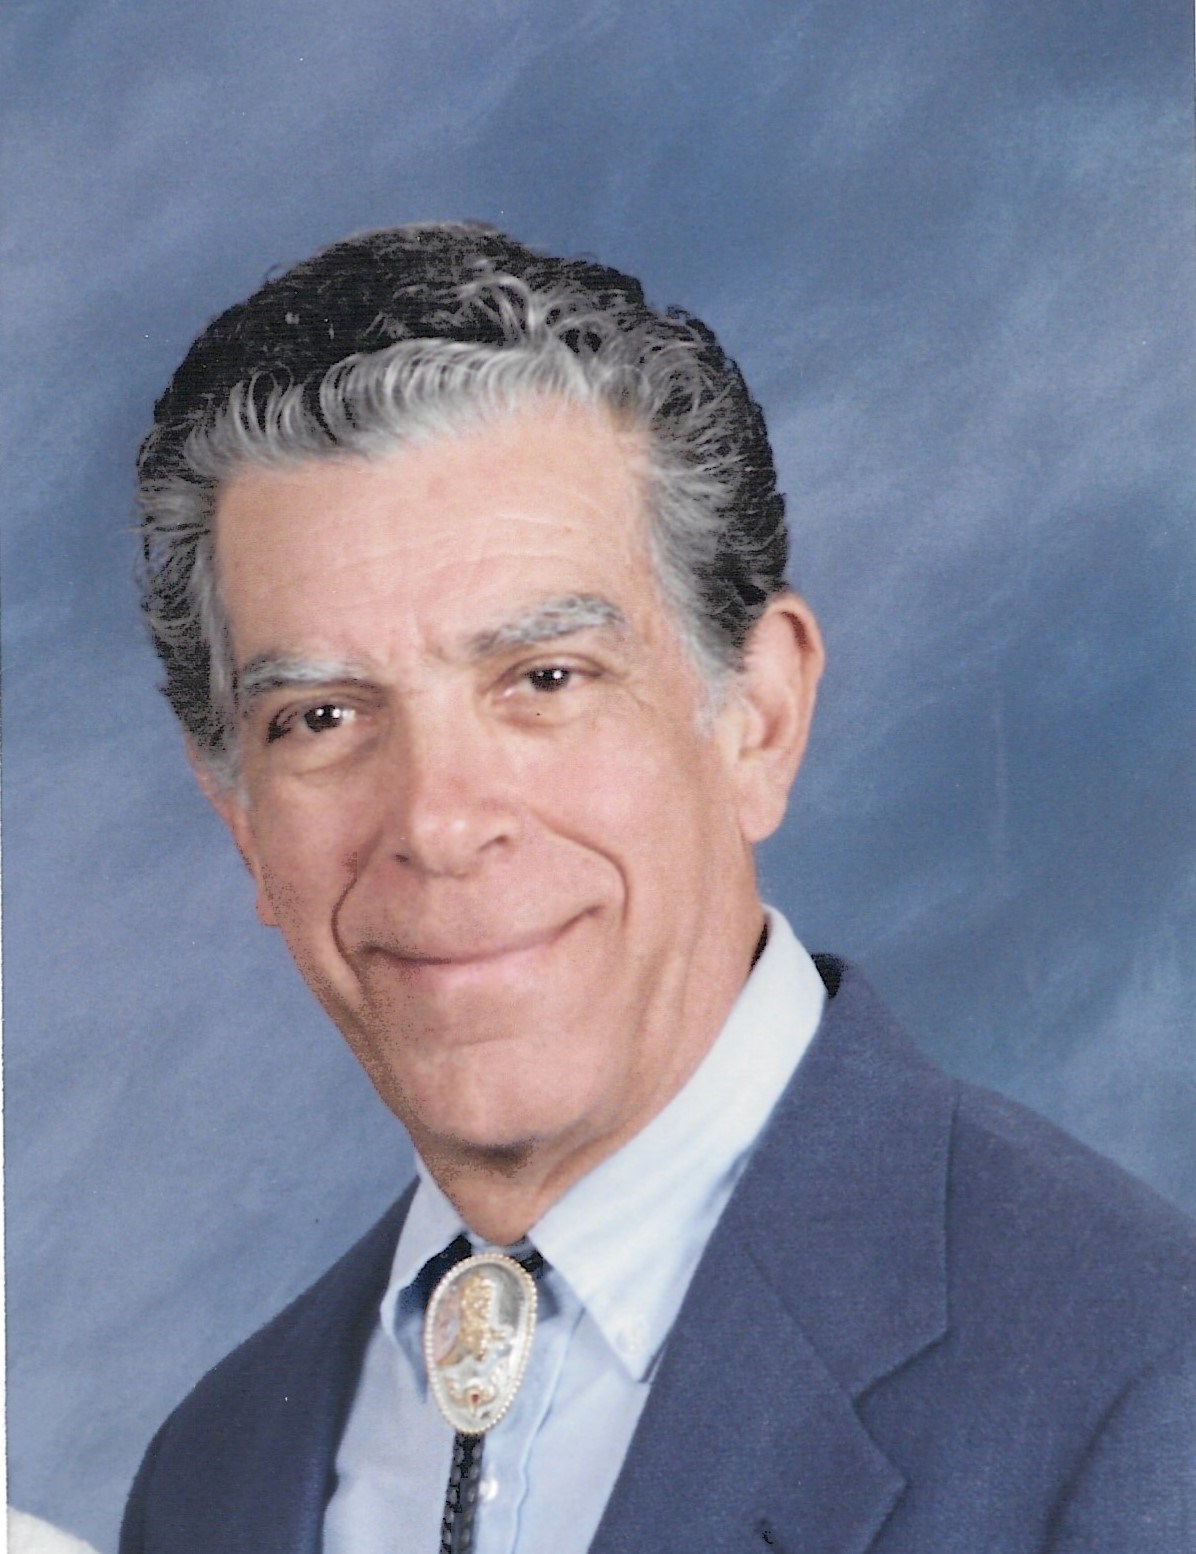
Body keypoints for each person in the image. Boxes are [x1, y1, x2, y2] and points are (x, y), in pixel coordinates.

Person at [120, 224, 1196, 1554]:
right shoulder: (213, 1474)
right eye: (322, 717)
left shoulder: (1141, 1386)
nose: (438, 823)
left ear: (759, 716)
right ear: (238, 816)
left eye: (545, 679)